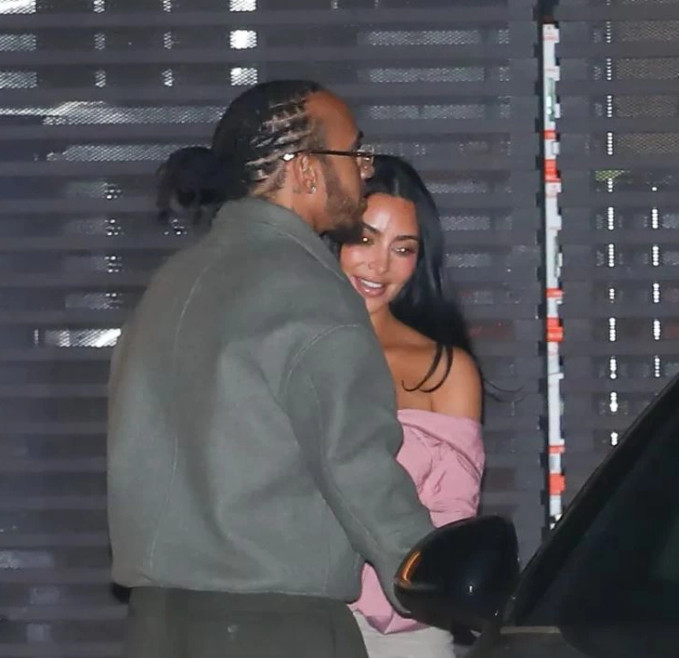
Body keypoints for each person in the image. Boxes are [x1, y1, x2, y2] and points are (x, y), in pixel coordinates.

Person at [107, 80, 435, 658]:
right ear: (305, 170)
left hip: (156, 625)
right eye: (354, 152)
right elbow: (357, 465)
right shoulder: (310, 292)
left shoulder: (173, 282)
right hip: (274, 628)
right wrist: (433, 579)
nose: (365, 170)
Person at [338, 155, 486, 658]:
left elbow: (452, 522)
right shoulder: (276, 349)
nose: (379, 266)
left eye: (402, 249)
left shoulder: (445, 370)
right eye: (364, 239)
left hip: (404, 633)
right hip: (290, 619)